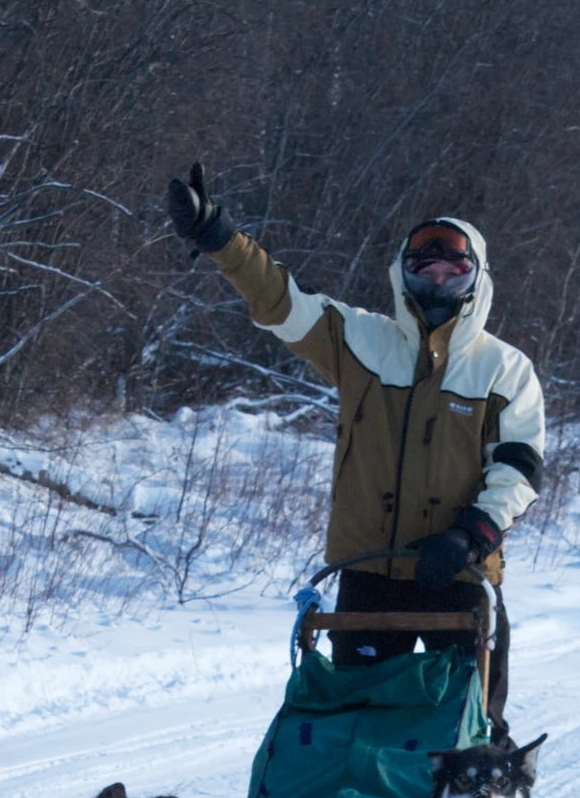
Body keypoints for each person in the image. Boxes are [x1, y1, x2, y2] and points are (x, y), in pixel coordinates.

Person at [165, 165, 543, 730]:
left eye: (454, 269)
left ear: (477, 278)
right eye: (425, 267)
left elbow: (518, 470)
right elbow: (281, 302)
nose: (438, 280)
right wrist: (219, 237)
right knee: (358, 731)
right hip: (370, 574)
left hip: (459, 578)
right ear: (403, 274)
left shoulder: (505, 369)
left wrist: (470, 535)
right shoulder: (361, 340)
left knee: (473, 738)